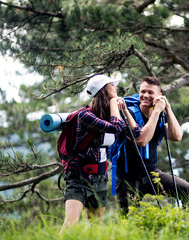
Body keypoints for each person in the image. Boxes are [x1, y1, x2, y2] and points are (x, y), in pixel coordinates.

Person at [60, 74, 140, 231]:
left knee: (96, 228)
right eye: (112, 85)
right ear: (104, 90)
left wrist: (125, 111)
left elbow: (135, 133)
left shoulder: (110, 116)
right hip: (79, 177)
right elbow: (115, 128)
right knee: (70, 224)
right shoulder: (85, 116)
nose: (116, 87)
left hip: (100, 178)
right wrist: (113, 105)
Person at [116, 76, 189, 215]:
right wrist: (157, 111)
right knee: (128, 220)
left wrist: (168, 109)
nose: (145, 95)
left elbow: (176, 136)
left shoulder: (160, 116)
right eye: (143, 91)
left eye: (150, 92)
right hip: (128, 179)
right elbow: (141, 140)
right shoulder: (129, 114)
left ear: (159, 96)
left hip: (152, 174)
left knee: (188, 190)